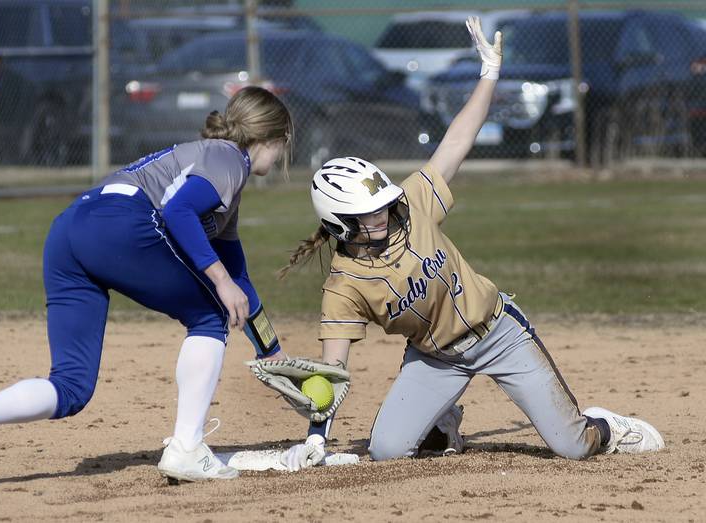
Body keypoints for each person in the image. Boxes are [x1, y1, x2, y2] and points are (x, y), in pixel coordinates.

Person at [276, 17, 664, 466]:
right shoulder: (343, 287)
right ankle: (443, 422)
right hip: (436, 360)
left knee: (573, 447)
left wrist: (489, 74)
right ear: (340, 223)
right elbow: (335, 370)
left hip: (499, 333)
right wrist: (317, 438)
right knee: (385, 452)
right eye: (367, 213)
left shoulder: (412, 206)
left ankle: (606, 426)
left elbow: (457, 140)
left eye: (380, 203)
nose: (382, 213)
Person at [0, 86, 293, 483]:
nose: (280, 158)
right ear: (270, 139)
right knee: (210, 314)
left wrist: (272, 352)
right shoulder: (230, 160)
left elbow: (239, 276)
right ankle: (187, 448)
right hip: (121, 224)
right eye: (283, 146)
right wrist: (219, 281)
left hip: (70, 230)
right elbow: (179, 210)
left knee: (71, 386)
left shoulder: (215, 166)